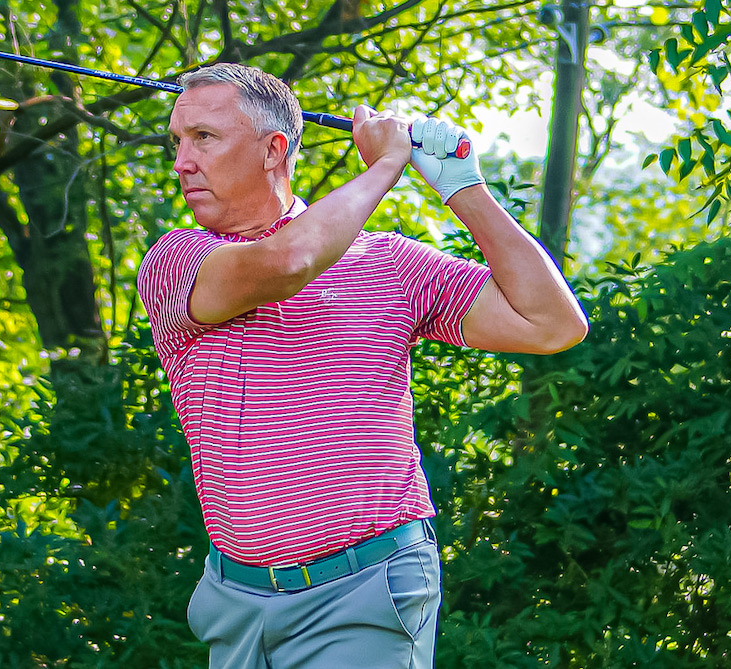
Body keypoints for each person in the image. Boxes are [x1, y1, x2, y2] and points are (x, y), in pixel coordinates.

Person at [136, 63, 588, 668]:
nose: (182, 162)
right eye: (178, 142)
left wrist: (461, 187)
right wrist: (385, 166)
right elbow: (290, 260)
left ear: (274, 150)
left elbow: (552, 323)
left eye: (204, 139)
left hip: (366, 589)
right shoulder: (180, 258)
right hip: (237, 603)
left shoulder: (392, 264)